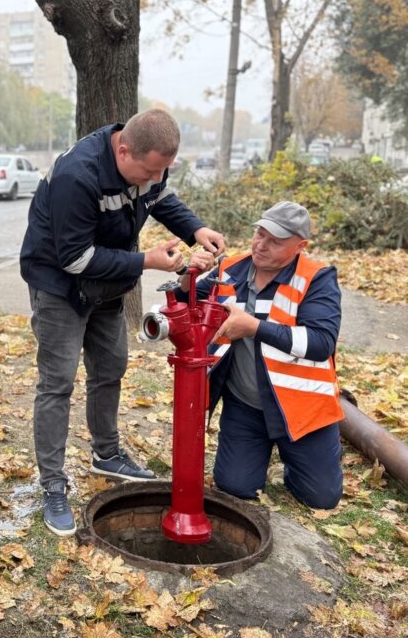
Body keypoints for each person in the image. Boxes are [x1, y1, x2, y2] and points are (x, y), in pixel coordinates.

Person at [20, 108, 226, 536]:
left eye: (162, 171)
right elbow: (75, 259)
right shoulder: (77, 176)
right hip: (60, 285)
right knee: (57, 383)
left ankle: (106, 454)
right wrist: (145, 261)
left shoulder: (149, 167)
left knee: (111, 366)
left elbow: (160, 198)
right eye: (148, 171)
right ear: (125, 150)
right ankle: (53, 485)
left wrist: (195, 229)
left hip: (107, 286)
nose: (153, 179)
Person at [183, 201, 344, 510]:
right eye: (259, 234)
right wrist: (189, 274)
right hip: (245, 407)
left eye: (275, 241)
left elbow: (321, 342)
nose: (261, 245)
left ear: (300, 245)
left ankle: (313, 453)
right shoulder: (231, 268)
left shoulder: (317, 278)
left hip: (302, 410)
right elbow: (183, 298)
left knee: (321, 498)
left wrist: (254, 327)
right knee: (234, 487)